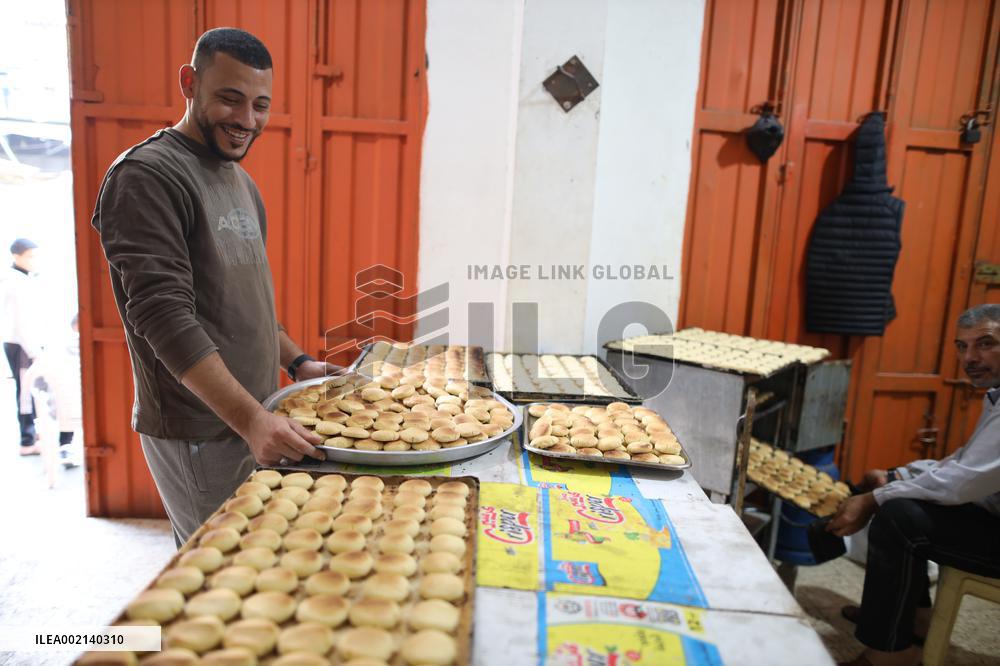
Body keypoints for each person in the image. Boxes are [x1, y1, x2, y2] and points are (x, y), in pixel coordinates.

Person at [92, 28, 330, 546]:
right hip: (201, 430)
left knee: (257, 568)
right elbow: (162, 316)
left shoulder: (239, 181)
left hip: (256, 417)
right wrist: (250, 419)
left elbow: (247, 296)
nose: (247, 120)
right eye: (230, 98)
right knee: (216, 584)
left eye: (260, 104)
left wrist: (297, 363)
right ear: (189, 82)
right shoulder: (148, 176)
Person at [828, 303, 1000, 666]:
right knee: (906, 497)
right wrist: (898, 476)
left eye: (985, 343)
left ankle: (890, 655)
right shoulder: (995, 395)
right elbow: (966, 461)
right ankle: (912, 622)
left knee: (900, 517)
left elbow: (962, 483)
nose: (970, 357)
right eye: (962, 346)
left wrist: (876, 496)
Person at [20, 313, 82, 468]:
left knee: (62, 398)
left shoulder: (53, 352)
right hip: (86, 409)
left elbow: (34, 384)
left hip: (61, 412)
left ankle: (65, 445)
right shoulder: (85, 350)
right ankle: (66, 445)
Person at [2, 238, 43, 455]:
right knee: (25, 391)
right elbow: (21, 322)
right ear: (16, 256)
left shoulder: (23, 278)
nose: (34, 260)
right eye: (30, 256)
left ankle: (32, 433)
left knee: (30, 389)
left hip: (22, 343)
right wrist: (33, 351)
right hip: (21, 345)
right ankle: (26, 442)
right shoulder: (15, 281)